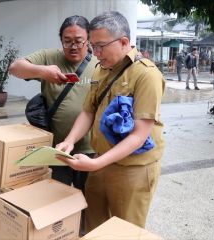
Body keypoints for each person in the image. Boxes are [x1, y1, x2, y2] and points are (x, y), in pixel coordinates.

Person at [56, 11, 165, 231]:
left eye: (101, 46)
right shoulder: (101, 69)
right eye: (93, 46)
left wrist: (94, 164)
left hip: (133, 169)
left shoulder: (146, 75)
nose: (95, 54)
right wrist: (70, 140)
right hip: (100, 162)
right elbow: (88, 111)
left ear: (124, 41)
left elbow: (138, 135)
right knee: (95, 227)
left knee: (125, 231)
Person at [9, 15, 98, 193]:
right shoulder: (49, 57)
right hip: (56, 149)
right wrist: (42, 71)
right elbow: (14, 68)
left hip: (90, 149)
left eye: (79, 41)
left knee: (88, 202)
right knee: (56, 199)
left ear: (88, 40)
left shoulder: (99, 65)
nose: (73, 47)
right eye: (67, 41)